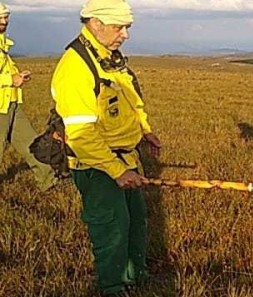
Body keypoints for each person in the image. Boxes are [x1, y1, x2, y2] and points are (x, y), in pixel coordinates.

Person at [50, 0, 161, 295]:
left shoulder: (109, 57)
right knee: (111, 227)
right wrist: (117, 170)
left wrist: (145, 130)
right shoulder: (76, 67)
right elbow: (81, 135)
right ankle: (112, 287)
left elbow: (130, 99)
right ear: (95, 23)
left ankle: (137, 276)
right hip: (96, 164)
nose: (125, 34)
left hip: (126, 159)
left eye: (128, 27)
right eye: (119, 27)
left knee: (135, 221)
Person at [0, 2, 57, 191]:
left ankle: (48, 181)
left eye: (6, 17)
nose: (4, 21)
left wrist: (18, 76)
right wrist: (11, 79)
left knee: (31, 143)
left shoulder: (2, 42)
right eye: (0, 18)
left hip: (11, 103)